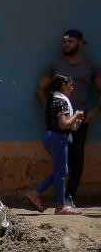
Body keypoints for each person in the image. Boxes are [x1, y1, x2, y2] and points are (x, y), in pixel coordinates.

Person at [37, 29, 101, 206]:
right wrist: (50, 110)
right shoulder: (55, 64)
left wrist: (96, 111)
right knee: (63, 161)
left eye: (71, 41)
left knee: (77, 158)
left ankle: (69, 196)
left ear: (80, 43)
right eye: (64, 41)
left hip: (81, 119)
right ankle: (57, 198)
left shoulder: (90, 66)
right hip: (60, 122)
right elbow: (40, 89)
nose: (66, 45)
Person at [25, 74, 84, 215]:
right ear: (63, 85)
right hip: (58, 138)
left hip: (53, 138)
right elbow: (63, 125)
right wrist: (76, 115)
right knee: (62, 173)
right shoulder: (61, 102)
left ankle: (35, 193)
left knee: (61, 171)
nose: (72, 87)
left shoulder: (54, 99)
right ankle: (60, 206)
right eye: (70, 84)